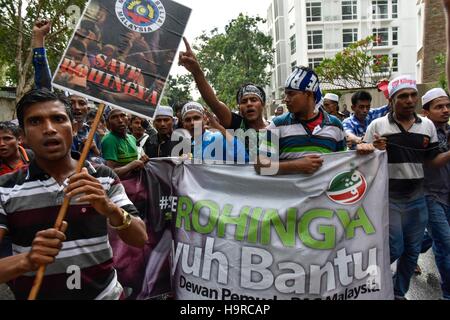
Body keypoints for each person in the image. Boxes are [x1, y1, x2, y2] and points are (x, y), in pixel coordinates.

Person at [0, 89, 147, 299]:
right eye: (35, 122)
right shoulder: (5, 188)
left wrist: (110, 208)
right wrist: (27, 260)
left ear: (74, 127)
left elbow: (140, 238)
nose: (49, 129)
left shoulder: (103, 176)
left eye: (58, 119)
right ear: (22, 136)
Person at [364, 75, 450, 300]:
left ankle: (396, 292)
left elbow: (431, 161)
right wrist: (373, 148)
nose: (410, 100)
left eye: (413, 95)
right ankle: (365, 282)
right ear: (392, 99)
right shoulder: (377, 125)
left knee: (412, 253)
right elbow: (363, 157)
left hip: (417, 199)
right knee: (395, 247)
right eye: (403, 96)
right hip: (388, 199)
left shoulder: (427, 126)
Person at [256, 66, 374, 175]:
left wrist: (364, 151)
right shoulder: (277, 125)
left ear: (308, 94)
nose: (286, 99)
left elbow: (342, 164)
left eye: (291, 94)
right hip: (289, 196)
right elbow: (259, 166)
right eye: (285, 94)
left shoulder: (335, 125)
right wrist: (295, 166)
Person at [179, 38, 268, 159]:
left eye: (253, 100)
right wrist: (196, 71)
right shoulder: (237, 124)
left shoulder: (276, 127)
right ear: (239, 107)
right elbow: (214, 103)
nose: (249, 104)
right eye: (244, 101)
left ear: (262, 104)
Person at [421, 88, 450, 300]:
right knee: (446, 245)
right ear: (426, 112)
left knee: (434, 239)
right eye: (439, 107)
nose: (445, 110)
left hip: (448, 194)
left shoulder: (448, 131)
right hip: (431, 196)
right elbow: (432, 163)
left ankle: (408, 250)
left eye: (447, 106)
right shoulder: (423, 134)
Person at [181, 102, 248, 162]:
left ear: (204, 119)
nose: (192, 123)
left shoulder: (218, 138)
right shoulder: (189, 145)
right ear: (183, 124)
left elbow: (245, 158)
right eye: (187, 120)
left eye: (196, 118)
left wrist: (220, 128)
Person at [101, 109, 149, 179]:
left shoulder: (132, 138)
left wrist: (141, 161)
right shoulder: (109, 140)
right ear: (108, 123)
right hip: (120, 186)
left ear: (128, 120)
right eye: (114, 117)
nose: (120, 120)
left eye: (123, 116)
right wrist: (131, 165)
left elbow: (133, 167)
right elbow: (109, 172)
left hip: (135, 181)